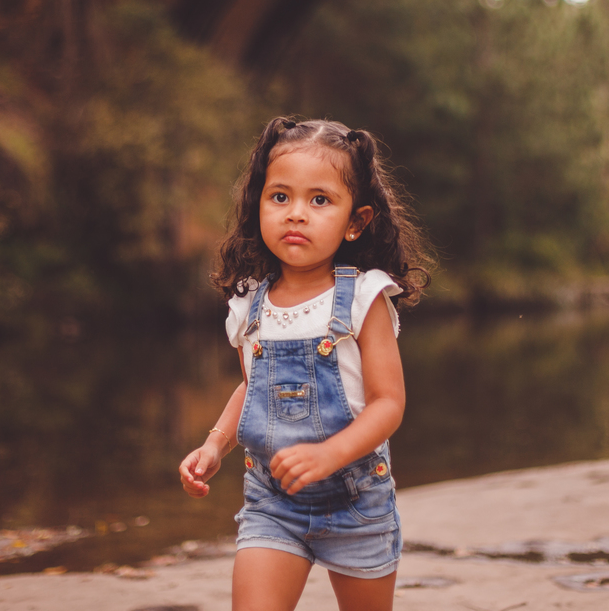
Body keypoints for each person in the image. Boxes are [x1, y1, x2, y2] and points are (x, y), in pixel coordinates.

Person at [179, 117, 432, 611]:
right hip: (272, 503)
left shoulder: (363, 296)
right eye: (280, 197)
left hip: (356, 500)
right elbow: (252, 388)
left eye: (319, 200)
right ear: (258, 207)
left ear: (355, 221)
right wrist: (214, 445)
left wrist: (328, 455)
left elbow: (389, 404)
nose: (296, 214)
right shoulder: (248, 304)